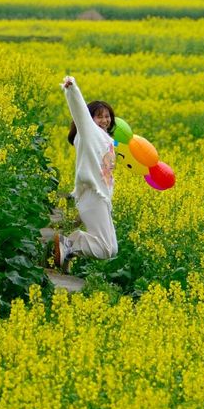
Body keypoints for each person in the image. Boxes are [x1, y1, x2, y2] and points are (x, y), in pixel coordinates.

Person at [53, 75, 118, 270]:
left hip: (101, 197)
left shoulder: (105, 139)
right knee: (105, 249)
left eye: (107, 116)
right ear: (90, 119)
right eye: (100, 116)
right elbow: (80, 112)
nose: (105, 120)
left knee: (112, 249)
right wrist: (72, 89)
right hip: (92, 194)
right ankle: (71, 243)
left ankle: (71, 246)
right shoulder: (89, 133)